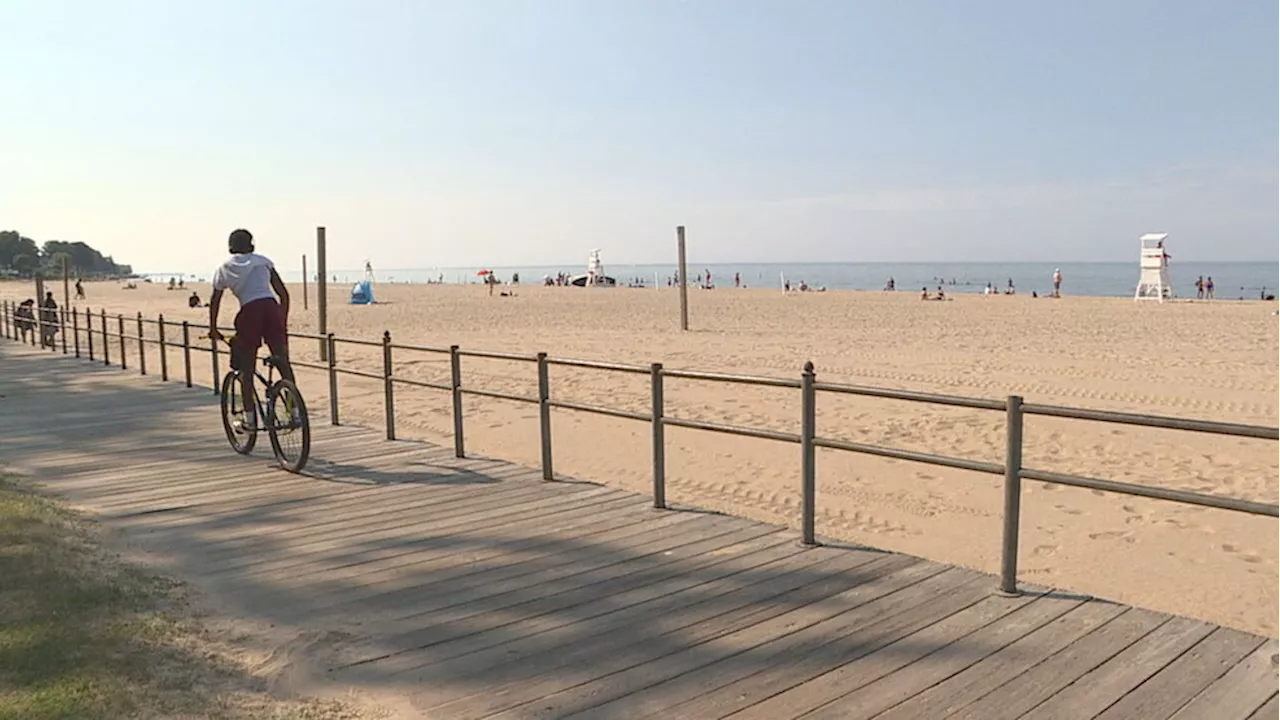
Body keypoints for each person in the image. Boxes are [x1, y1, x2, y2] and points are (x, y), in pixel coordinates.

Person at [208, 229, 295, 432]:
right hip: (271, 308)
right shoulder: (264, 262)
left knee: (247, 370)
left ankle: (249, 420)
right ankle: (294, 411)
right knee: (283, 362)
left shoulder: (224, 268)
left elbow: (215, 301)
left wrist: (212, 327)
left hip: (250, 312)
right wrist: (281, 320)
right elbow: (284, 294)